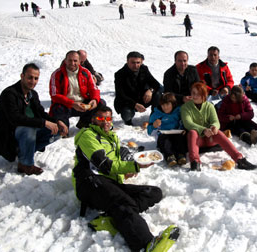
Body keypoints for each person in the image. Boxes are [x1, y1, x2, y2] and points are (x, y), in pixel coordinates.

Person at [73, 106, 179, 251]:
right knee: (123, 202)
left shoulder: (111, 137)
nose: (105, 122)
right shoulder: (88, 135)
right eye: (100, 118)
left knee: (153, 193)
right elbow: (104, 165)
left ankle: (113, 218)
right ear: (93, 120)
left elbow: (117, 162)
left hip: (109, 182)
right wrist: (135, 166)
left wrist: (124, 173)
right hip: (89, 182)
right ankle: (145, 245)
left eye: (108, 118)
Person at [0, 63, 68, 175]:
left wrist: (57, 122)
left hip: (25, 135)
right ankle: (25, 164)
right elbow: (15, 119)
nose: (33, 81)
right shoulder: (9, 94)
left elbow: (40, 113)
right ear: (22, 76)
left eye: (36, 78)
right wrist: (44, 122)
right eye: (30, 77)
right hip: (9, 137)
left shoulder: (33, 94)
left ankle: (25, 152)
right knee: (29, 129)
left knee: (56, 131)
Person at [180, 82, 257, 171]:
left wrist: (214, 126)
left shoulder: (209, 106)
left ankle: (239, 159)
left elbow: (215, 121)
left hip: (210, 139)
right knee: (192, 132)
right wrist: (204, 129)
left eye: (198, 94)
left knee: (218, 132)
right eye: (193, 93)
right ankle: (195, 163)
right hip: (197, 141)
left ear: (204, 95)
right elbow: (188, 123)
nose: (195, 96)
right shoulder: (185, 107)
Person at [49, 50, 104, 129]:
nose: (72, 63)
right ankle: (63, 129)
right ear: (65, 61)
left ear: (80, 62)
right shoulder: (57, 74)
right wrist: (72, 103)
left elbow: (94, 89)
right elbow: (54, 95)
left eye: (75, 61)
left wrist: (95, 99)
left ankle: (84, 122)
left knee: (101, 103)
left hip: (82, 104)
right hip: (66, 104)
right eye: (70, 60)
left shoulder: (86, 72)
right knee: (57, 108)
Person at [114, 51, 162, 126]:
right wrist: (135, 104)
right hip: (128, 102)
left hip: (143, 98)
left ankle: (154, 115)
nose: (136, 65)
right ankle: (128, 121)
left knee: (159, 91)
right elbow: (121, 95)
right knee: (127, 114)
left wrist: (150, 91)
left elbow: (155, 84)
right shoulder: (120, 74)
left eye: (138, 62)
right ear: (127, 62)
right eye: (133, 62)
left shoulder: (144, 69)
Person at [147, 93, 187, 166]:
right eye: (163, 105)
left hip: (176, 134)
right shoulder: (156, 114)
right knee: (165, 141)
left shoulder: (178, 112)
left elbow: (183, 122)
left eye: (167, 104)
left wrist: (183, 129)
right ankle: (169, 156)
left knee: (180, 139)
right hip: (163, 136)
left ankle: (181, 155)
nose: (165, 107)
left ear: (173, 104)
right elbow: (149, 132)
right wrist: (154, 126)